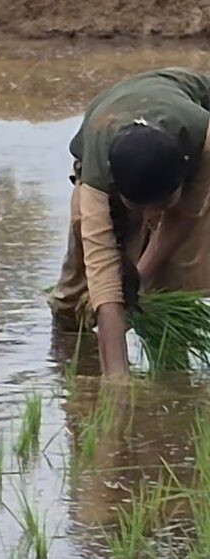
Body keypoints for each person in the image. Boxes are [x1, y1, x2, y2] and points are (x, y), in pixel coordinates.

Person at [47, 67, 210, 377]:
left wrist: (140, 276)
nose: (151, 217)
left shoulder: (203, 141)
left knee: (174, 274)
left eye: (162, 205)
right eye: (139, 208)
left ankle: (172, 368)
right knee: (80, 284)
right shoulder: (97, 179)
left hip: (185, 126)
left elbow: (185, 214)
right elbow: (103, 273)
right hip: (108, 137)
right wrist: (117, 383)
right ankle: (69, 351)